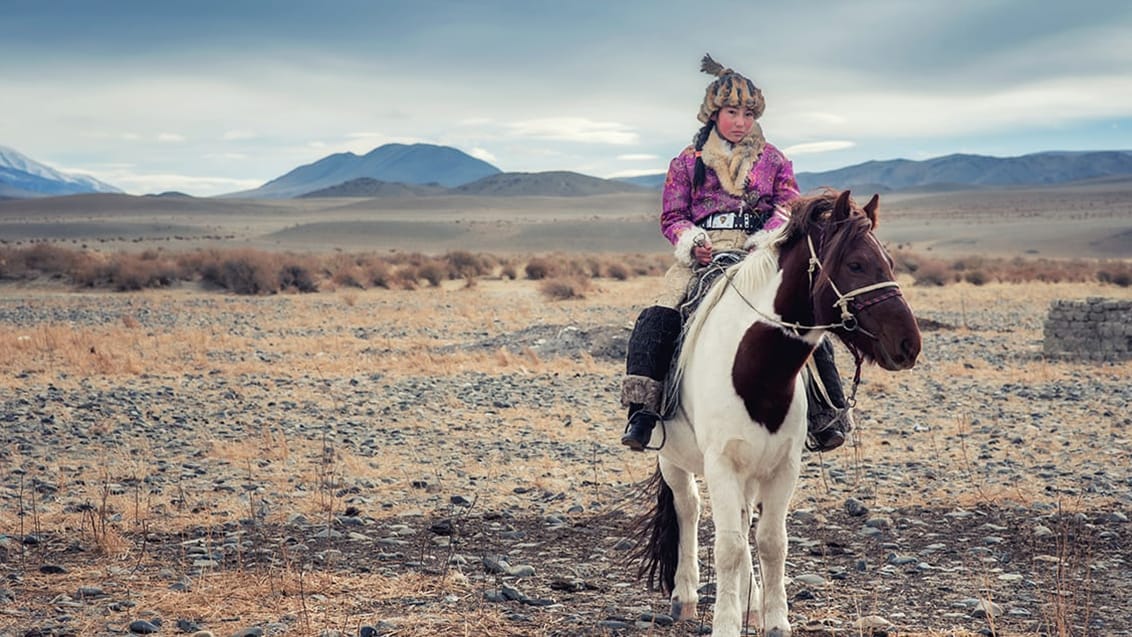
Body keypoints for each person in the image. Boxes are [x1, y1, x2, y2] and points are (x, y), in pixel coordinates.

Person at [619, 53, 853, 453]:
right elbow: (672, 215)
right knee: (660, 313)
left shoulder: (775, 160)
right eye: (732, 111)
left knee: (806, 319)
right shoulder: (686, 162)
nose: (741, 121)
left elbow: (788, 206)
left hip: (761, 252)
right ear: (713, 113)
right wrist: (692, 242)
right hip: (702, 253)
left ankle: (826, 413)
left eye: (748, 113)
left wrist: (764, 239)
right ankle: (643, 412)